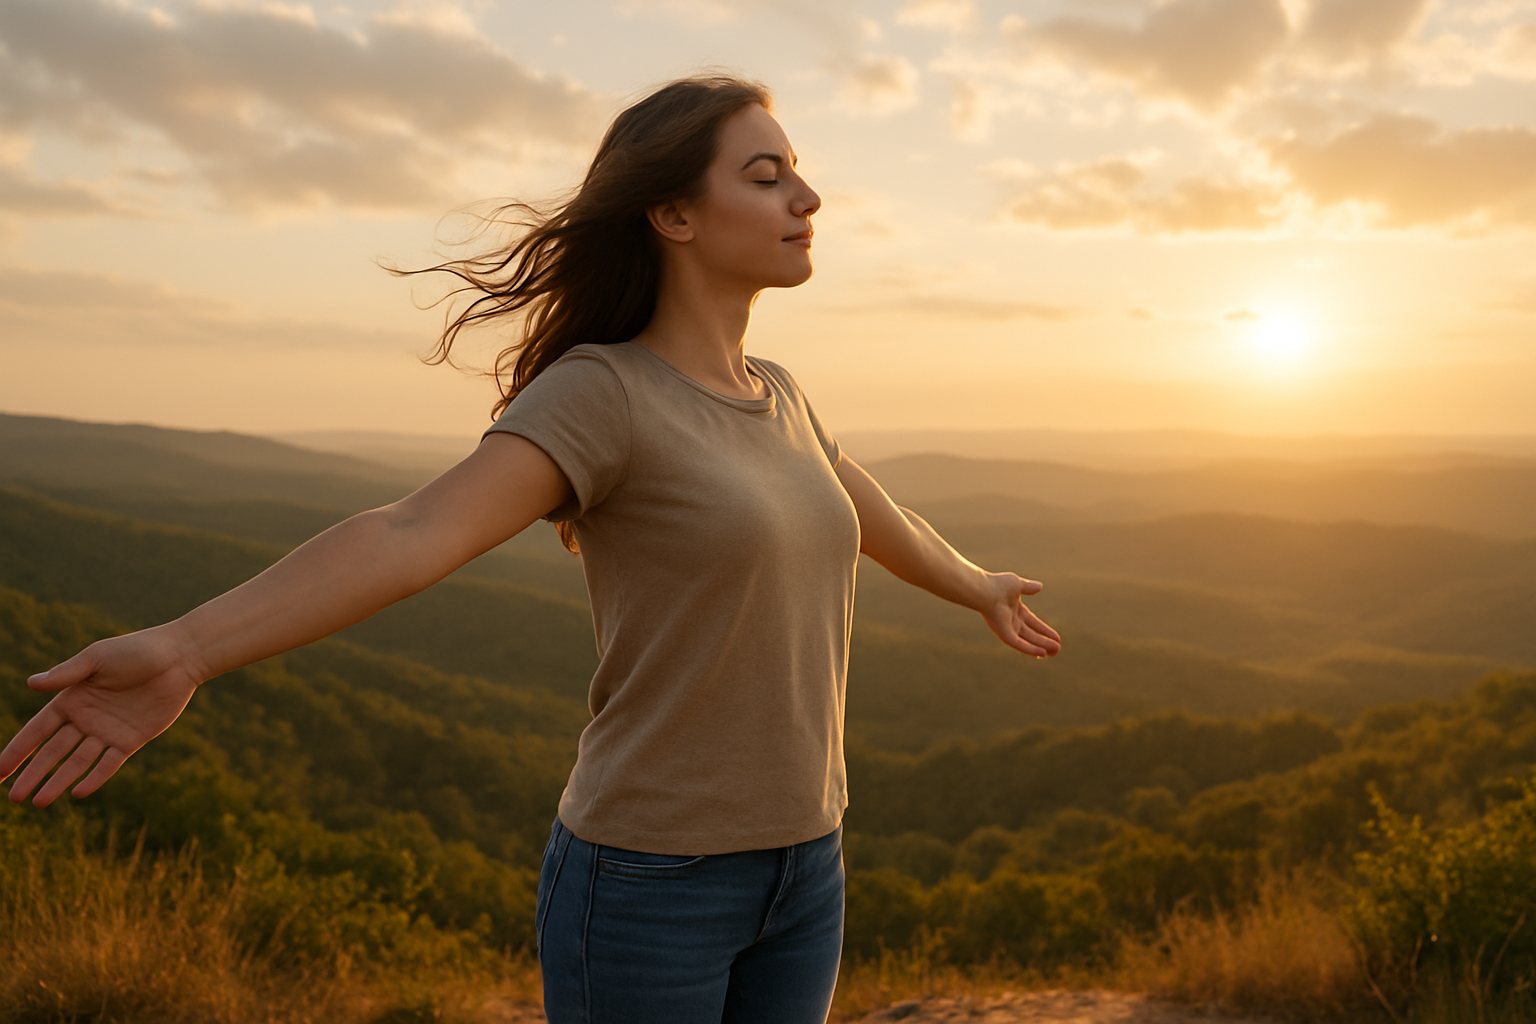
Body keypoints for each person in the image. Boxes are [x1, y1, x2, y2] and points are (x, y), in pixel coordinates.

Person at [0, 74, 1061, 1023]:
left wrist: (977, 585)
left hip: (808, 863)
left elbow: (857, 498)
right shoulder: (604, 393)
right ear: (675, 212)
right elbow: (412, 531)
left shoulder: (778, 391)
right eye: (768, 174)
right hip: (654, 880)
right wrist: (189, 648)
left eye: (799, 174)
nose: (807, 198)